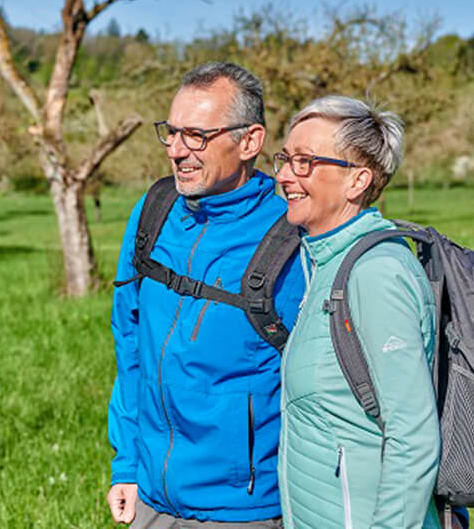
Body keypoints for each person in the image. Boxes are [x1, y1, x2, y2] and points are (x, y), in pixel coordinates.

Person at [107, 62, 306, 527]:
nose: (176, 151)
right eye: (171, 132)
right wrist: (129, 465)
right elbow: (129, 341)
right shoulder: (153, 210)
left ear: (250, 141)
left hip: (245, 507)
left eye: (196, 135)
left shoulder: (291, 235)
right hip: (151, 497)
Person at [273, 95, 443, 528]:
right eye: (286, 159)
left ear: (357, 181)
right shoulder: (325, 263)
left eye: (305, 162)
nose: (284, 176)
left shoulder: (376, 273)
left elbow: (414, 437)